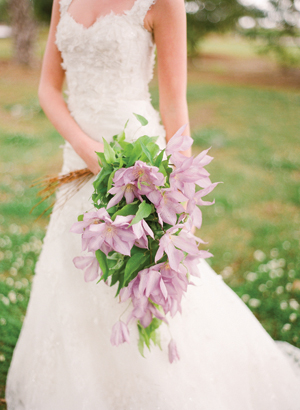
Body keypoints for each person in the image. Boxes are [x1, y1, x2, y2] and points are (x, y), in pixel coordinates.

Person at [5, 0, 300, 409]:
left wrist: (179, 193)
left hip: (138, 164)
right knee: (74, 270)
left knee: (142, 286)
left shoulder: (164, 2)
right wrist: (84, 147)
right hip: (80, 159)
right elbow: (47, 88)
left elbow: (174, 105)